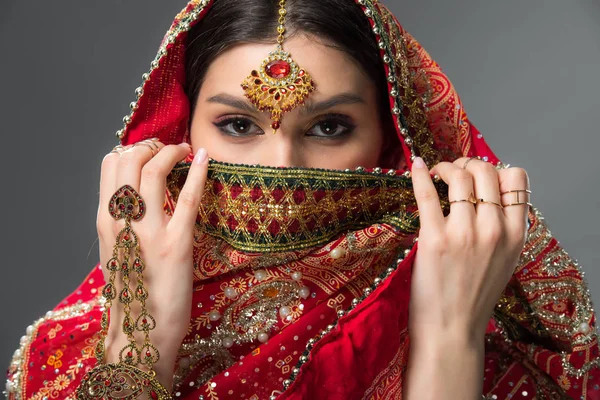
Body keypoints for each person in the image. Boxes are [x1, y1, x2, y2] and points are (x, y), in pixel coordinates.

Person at [5, 0, 599, 398]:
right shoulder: (74, 344)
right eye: (238, 126)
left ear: (394, 141)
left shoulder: (485, 319)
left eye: (330, 127)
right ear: (181, 135)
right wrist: (142, 329)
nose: (280, 167)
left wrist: (451, 336)